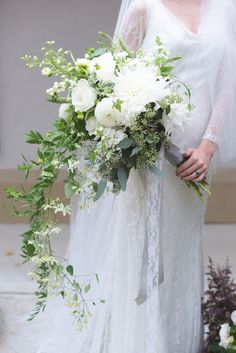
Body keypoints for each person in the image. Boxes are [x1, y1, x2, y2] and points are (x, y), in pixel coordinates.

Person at [37, 1, 236, 352]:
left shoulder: (224, 8)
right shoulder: (145, 9)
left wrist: (207, 147)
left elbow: (226, 81)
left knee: (180, 257)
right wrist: (146, 138)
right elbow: (112, 87)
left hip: (193, 164)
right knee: (144, 260)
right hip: (149, 162)